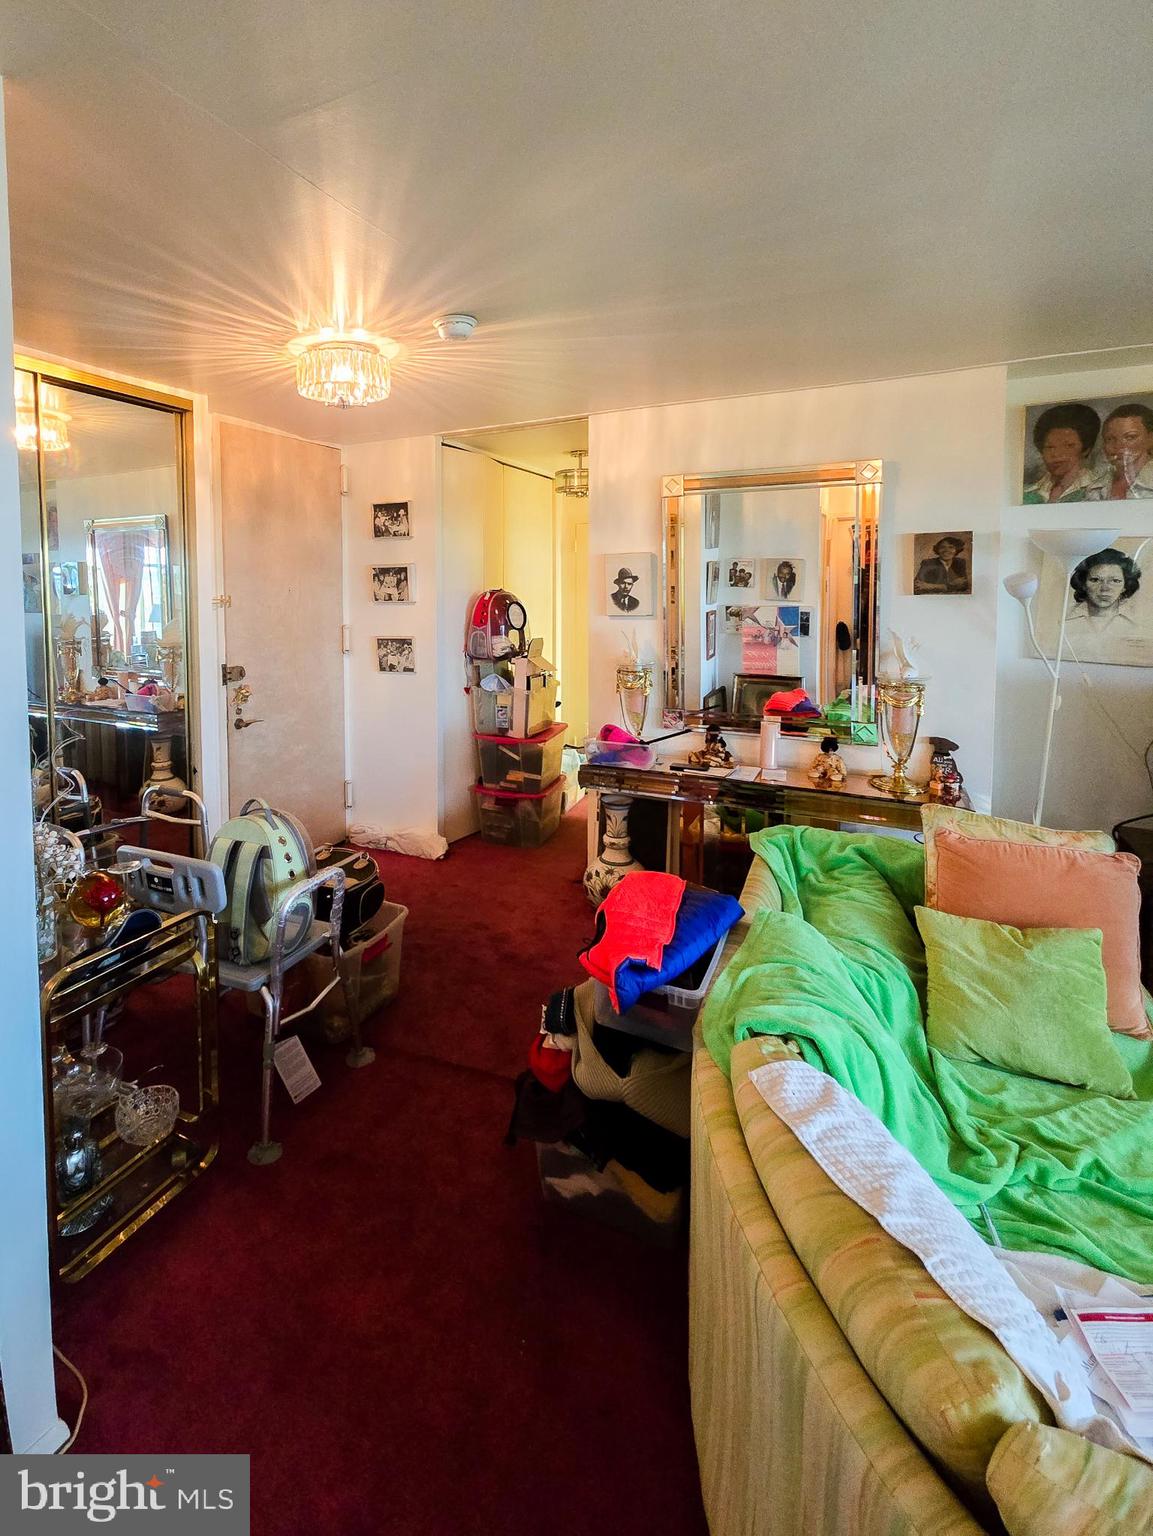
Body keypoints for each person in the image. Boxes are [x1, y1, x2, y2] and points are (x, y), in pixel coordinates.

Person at [1063, 547, 1141, 660]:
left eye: (1115, 581)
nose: (1105, 588)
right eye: (1095, 580)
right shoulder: (1063, 621)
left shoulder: (1138, 624)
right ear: (1083, 584)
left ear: (1125, 586)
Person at [1023, 401, 1100, 503]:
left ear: (1086, 449)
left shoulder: (1099, 489)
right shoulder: (1026, 493)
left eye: (1068, 446)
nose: (1057, 454)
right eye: (1050, 447)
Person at [1086, 403, 1153, 499]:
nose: (1118, 446)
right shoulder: (1094, 488)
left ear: (1150, 438)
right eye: (1110, 439)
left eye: (1130, 437)